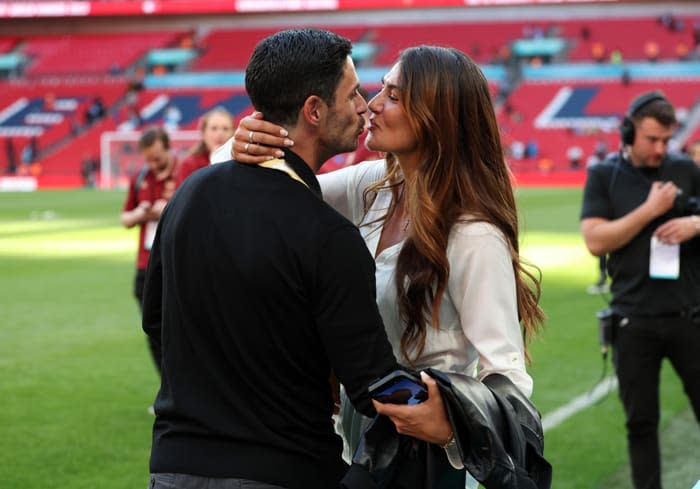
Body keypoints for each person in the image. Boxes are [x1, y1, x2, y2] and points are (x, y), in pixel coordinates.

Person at [222, 44, 545, 488]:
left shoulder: (472, 234)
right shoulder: (373, 187)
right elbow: (258, 185)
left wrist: (449, 423)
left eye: (393, 96)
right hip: (359, 439)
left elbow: (506, 374)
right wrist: (241, 139)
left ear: (437, 116)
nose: (371, 105)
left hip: (430, 458)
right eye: (381, 90)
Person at [142, 29, 405, 489]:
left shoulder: (188, 196)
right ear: (314, 111)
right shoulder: (329, 235)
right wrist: (458, 404)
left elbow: (155, 321)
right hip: (287, 467)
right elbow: (372, 386)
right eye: (353, 94)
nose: (364, 105)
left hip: (173, 466)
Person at [580, 91, 700, 489]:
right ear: (629, 132)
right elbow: (595, 240)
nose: (661, 149)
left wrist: (695, 224)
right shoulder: (603, 175)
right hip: (633, 321)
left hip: (690, 316)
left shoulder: (684, 168)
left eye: (667, 140)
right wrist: (650, 209)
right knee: (641, 424)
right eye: (652, 139)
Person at [120, 126, 177, 379]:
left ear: (168, 148)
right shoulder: (140, 178)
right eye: (148, 158)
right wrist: (141, 213)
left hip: (176, 263)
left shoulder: (184, 173)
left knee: (179, 330)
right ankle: (167, 388)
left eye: (157, 157)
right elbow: (125, 218)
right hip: (146, 264)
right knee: (153, 328)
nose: (153, 163)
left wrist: (167, 209)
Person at [174, 107, 233, 185]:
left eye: (225, 129)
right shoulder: (189, 165)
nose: (220, 134)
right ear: (203, 133)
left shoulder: (240, 164)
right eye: (214, 128)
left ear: (233, 133)